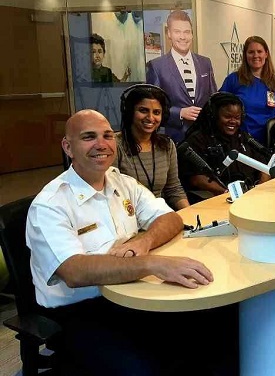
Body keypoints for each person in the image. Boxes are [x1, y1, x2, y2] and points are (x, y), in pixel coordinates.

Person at [25, 109, 221, 375]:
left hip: (132, 295)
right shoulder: (50, 205)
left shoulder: (122, 182)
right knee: (143, 368)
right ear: (68, 147)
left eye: (107, 135)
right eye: (88, 137)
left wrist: (145, 241)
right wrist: (150, 264)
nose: (102, 144)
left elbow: (170, 218)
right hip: (79, 311)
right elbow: (74, 271)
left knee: (213, 326)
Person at [179, 92, 271, 197]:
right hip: (214, 198)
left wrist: (259, 189)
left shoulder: (244, 137)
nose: (233, 121)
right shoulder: (197, 140)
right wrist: (229, 194)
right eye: (227, 117)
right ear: (214, 116)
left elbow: (264, 168)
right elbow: (197, 179)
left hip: (249, 197)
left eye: (237, 117)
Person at [114, 84, 190, 210]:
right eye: (143, 110)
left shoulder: (167, 145)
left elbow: (173, 189)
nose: (150, 118)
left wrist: (190, 216)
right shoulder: (115, 145)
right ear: (130, 112)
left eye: (156, 112)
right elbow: (113, 195)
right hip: (128, 218)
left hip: (160, 216)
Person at [146, 10, 217, 143]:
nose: (183, 37)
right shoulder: (157, 66)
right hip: (174, 139)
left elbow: (214, 99)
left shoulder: (205, 63)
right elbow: (152, 107)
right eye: (177, 32)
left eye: (187, 32)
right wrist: (179, 113)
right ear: (169, 34)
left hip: (205, 138)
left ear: (192, 34)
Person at [220, 36, 275, 145]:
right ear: (245, 55)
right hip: (241, 141)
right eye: (251, 52)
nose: (255, 55)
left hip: (269, 141)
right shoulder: (234, 79)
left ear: (266, 54)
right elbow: (219, 105)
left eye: (259, 51)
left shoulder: (274, 81)